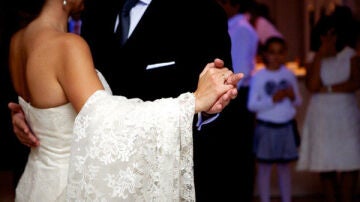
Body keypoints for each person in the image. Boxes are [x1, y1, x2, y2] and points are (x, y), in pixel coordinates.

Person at [7, 0, 242, 201]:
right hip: (83, 180)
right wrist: (192, 102)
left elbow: (53, 91)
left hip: (48, 181)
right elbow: (100, 114)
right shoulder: (90, 16)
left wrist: (206, 108)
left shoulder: (203, 12)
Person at [296, 11, 360, 202]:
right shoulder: (313, 56)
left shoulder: (350, 55)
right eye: (325, 34)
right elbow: (313, 86)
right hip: (321, 115)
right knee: (325, 164)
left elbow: (355, 83)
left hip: (345, 114)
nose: (329, 38)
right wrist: (319, 57)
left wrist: (330, 88)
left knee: (350, 161)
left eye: (333, 33)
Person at [247, 36, 302, 202]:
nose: (276, 56)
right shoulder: (259, 76)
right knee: (264, 168)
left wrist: (292, 96)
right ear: (265, 54)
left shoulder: (289, 74)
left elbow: (298, 101)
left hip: (286, 126)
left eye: (280, 52)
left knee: (285, 168)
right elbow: (251, 105)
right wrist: (273, 99)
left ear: (284, 54)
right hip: (266, 127)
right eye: (272, 52)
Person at [216, 0, 259, 200]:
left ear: (232, 4)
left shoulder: (242, 30)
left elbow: (238, 71)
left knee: (239, 154)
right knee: (233, 155)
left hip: (237, 99)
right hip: (232, 97)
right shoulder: (234, 26)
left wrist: (225, 98)